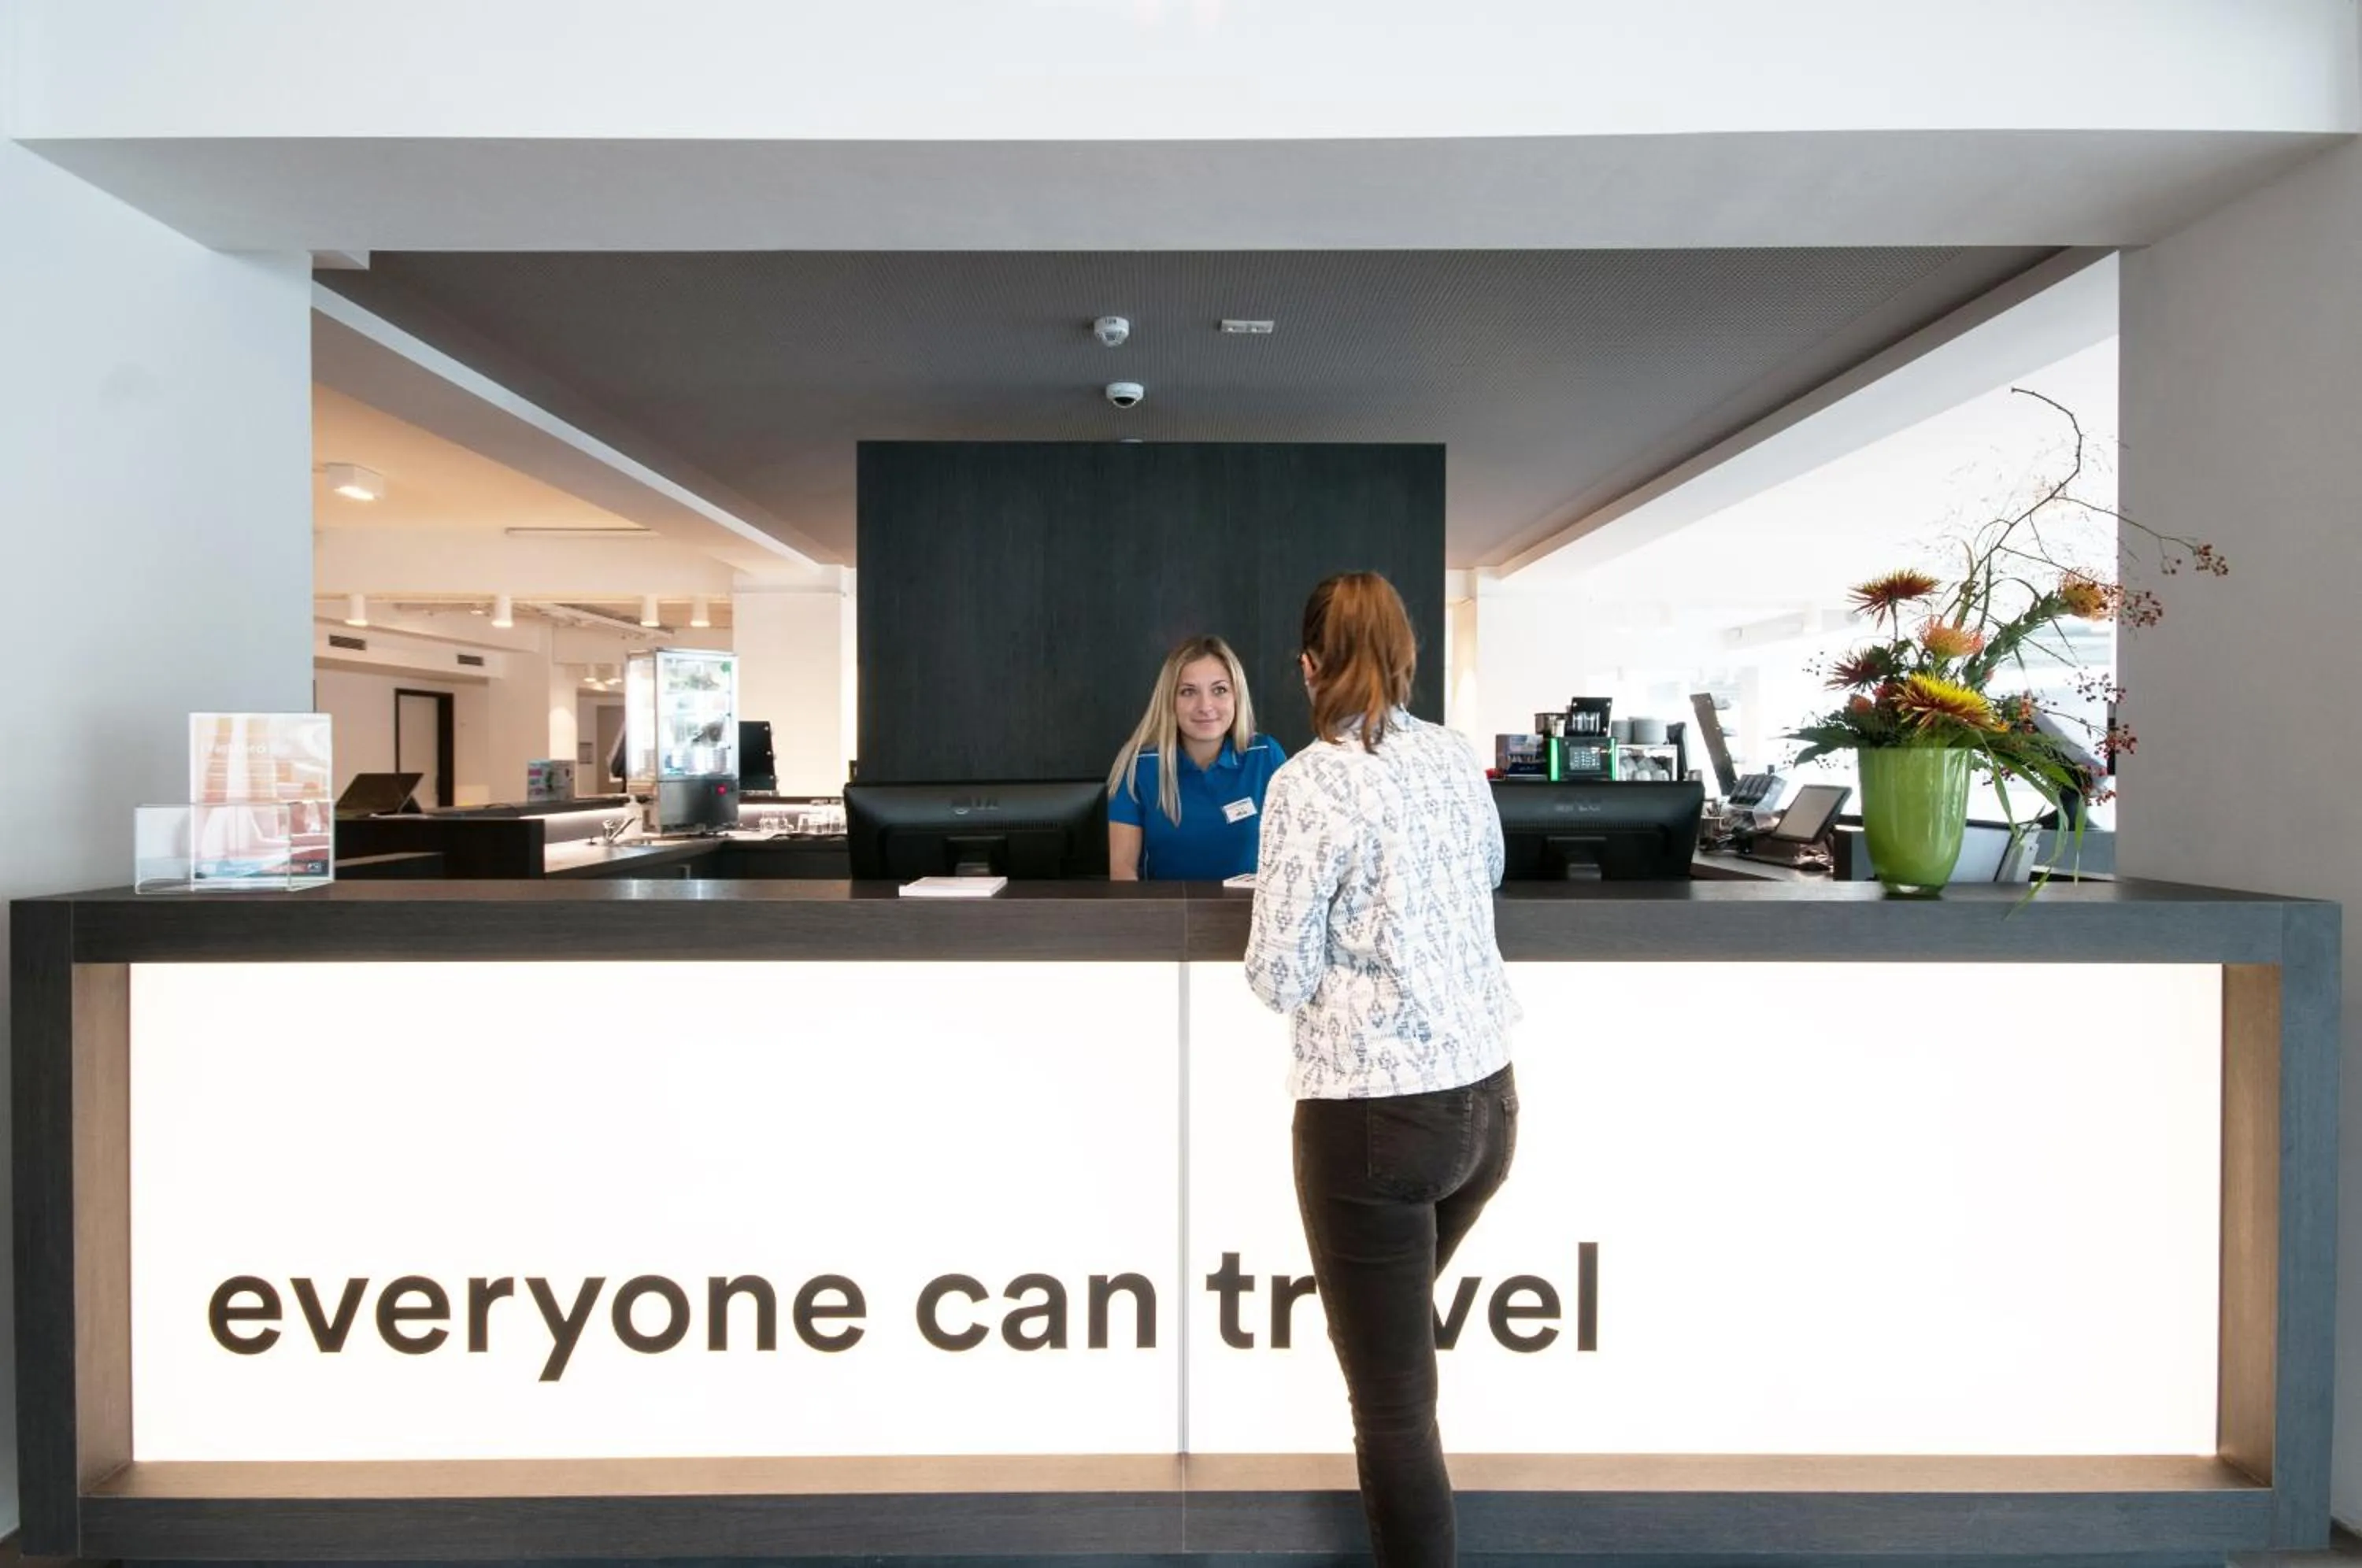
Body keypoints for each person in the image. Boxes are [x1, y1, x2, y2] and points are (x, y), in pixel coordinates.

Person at [1245, 572, 1519, 1568]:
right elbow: (1485, 873)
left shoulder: (1307, 782)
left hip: (1372, 1120)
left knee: (1395, 1410)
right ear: (1407, 654)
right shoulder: (1451, 756)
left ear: (1309, 665)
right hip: (1486, 1108)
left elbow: (1279, 973)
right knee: (1394, 1372)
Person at [1106, 635, 1287, 880]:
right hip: (1164, 915)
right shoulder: (1139, 766)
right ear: (1170, 701)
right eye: (1188, 692)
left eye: (1219, 690)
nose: (1205, 705)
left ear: (1237, 696)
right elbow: (1122, 872)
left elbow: (1292, 858)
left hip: (1251, 916)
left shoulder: (1266, 756)